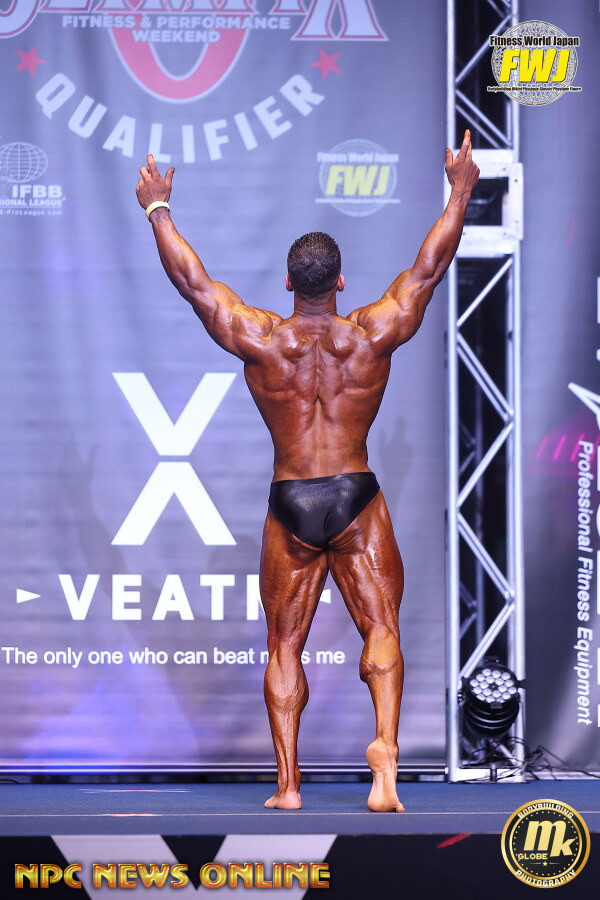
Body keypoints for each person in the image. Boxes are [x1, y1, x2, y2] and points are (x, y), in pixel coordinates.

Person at [135, 129, 479, 812]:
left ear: (289, 282)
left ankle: (288, 787)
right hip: (355, 493)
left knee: (284, 642)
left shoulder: (263, 340)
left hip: (291, 498)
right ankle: (385, 754)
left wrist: (158, 208)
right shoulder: (371, 334)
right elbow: (430, 269)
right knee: (381, 627)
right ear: (341, 281)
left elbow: (193, 285)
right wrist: (460, 192)